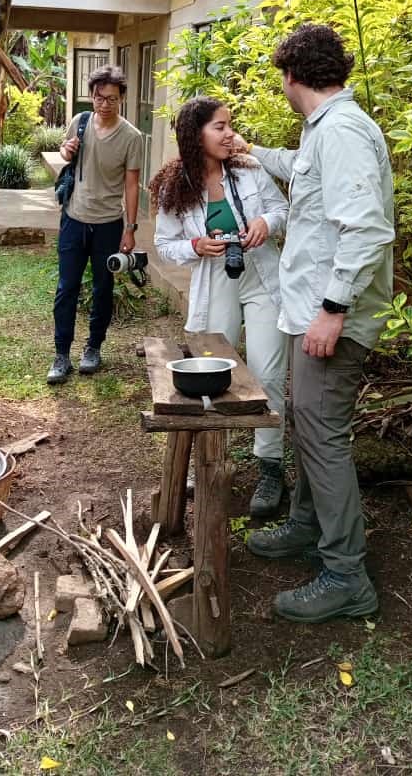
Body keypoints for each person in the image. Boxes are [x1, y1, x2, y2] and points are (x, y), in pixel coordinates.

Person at [244, 23, 395, 623]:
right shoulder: (324, 131)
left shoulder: (345, 133)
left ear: (290, 76)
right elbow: (303, 171)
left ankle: (346, 575)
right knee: (307, 425)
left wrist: (333, 310)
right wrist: (252, 153)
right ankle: (306, 526)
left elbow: (366, 229)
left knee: (322, 435)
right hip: (309, 308)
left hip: (330, 317)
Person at [151, 98, 290, 516]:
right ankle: (206, 456)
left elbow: (281, 209)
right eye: (220, 127)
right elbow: (163, 243)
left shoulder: (249, 169)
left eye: (230, 125)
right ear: (196, 135)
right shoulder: (176, 185)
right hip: (216, 280)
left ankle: (270, 466)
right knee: (212, 371)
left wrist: (266, 223)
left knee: (267, 372)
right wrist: (195, 246)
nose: (230, 134)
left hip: (262, 276)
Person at [47, 65, 142, 384]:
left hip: (109, 224)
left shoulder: (132, 137)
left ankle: (93, 348)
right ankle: (61, 354)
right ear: (92, 96)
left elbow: (131, 184)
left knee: (103, 289)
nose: (104, 104)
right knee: (66, 289)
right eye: (99, 98)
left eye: (112, 99)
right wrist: (66, 149)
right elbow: (65, 151)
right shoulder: (81, 121)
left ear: (122, 99)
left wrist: (130, 228)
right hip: (74, 218)